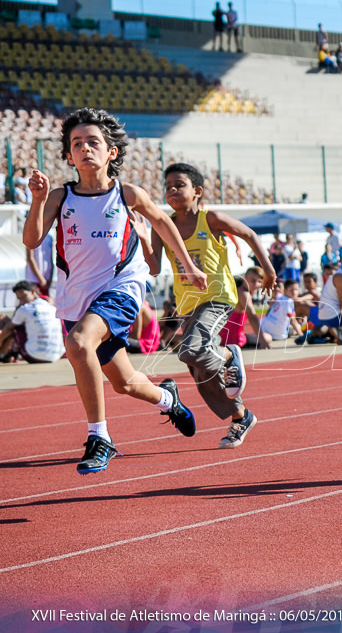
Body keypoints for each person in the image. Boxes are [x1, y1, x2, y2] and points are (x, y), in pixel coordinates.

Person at [23, 107, 208, 474]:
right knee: (124, 383)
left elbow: (163, 224)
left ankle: (100, 437)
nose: (85, 148)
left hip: (121, 286)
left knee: (77, 344)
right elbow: (31, 239)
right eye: (77, 143)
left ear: (111, 152)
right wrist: (38, 200)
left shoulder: (128, 194)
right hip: (78, 296)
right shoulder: (61, 197)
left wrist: (187, 264)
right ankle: (167, 399)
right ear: (68, 155)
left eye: (94, 142)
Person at [145, 162, 276, 450]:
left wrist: (268, 271)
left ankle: (229, 356)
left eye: (179, 185)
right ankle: (241, 416)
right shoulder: (163, 225)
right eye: (168, 187)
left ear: (198, 191)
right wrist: (144, 236)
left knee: (191, 350)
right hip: (188, 305)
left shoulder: (211, 218)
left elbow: (250, 235)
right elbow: (153, 267)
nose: (172, 190)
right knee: (199, 368)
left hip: (217, 298)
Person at [307, 245, 342, 344]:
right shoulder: (326, 285)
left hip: (337, 314)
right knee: (322, 329)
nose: (329, 276)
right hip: (327, 315)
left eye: (331, 273)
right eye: (326, 274)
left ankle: (341, 333)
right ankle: (337, 334)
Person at [0, 281, 63, 363]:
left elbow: (8, 328)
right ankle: (8, 353)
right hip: (57, 355)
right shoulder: (49, 304)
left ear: (33, 292)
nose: (22, 301)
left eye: (24, 296)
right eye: (19, 298)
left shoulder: (25, 308)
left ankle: (2, 354)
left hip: (34, 356)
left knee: (14, 328)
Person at [25, 229, 54, 298]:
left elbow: (51, 259)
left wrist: (50, 278)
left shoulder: (49, 237)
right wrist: (41, 279)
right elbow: (30, 258)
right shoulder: (30, 235)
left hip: (46, 280)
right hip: (33, 279)